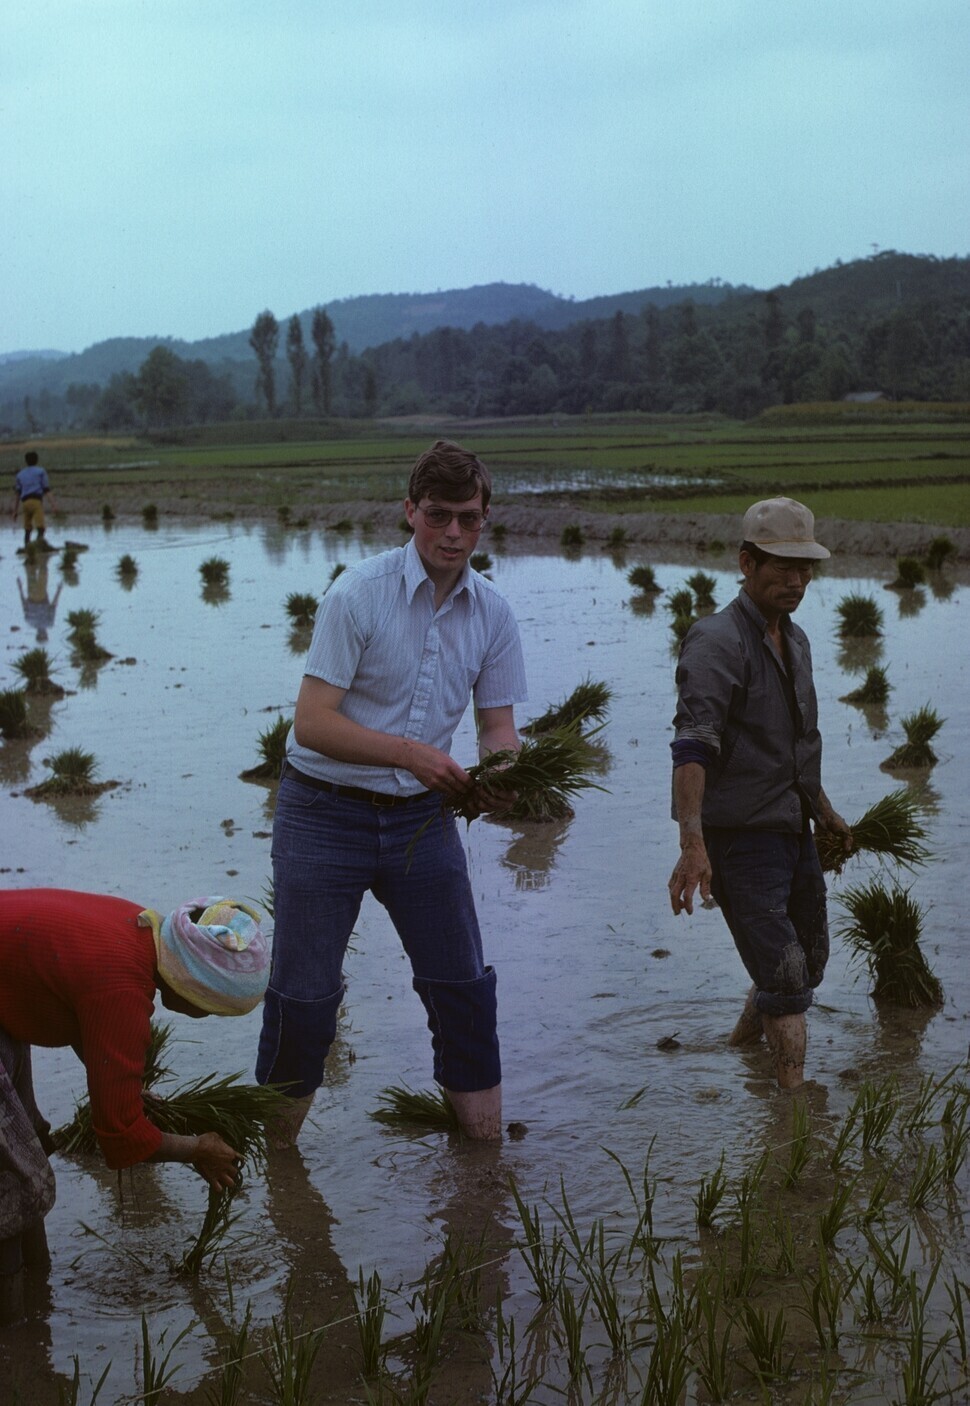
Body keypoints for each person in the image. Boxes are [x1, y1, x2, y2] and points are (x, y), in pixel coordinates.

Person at [256, 440, 527, 1143]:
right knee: (307, 995)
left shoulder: (493, 613)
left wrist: (502, 775)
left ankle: (484, 1161)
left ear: (485, 518)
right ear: (410, 513)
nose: (453, 534)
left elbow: (498, 727)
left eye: (468, 518)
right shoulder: (357, 595)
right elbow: (312, 723)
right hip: (322, 813)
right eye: (438, 516)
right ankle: (277, 1164)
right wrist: (412, 753)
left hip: (423, 821)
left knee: (462, 986)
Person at [0, 888, 269, 1320]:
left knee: (26, 1145)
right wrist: (197, 1149)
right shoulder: (123, 985)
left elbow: (73, 998)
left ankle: (37, 1293)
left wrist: (125, 1088)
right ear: (196, 987)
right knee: (8, 1182)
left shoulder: (140, 928)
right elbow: (119, 1137)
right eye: (214, 1009)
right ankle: (16, 1342)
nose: (207, 1017)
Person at [667, 497, 852, 1090]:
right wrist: (692, 843)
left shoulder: (795, 642)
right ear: (747, 562)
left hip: (789, 828)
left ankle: (741, 1048)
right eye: (781, 566)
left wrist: (824, 813)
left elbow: (797, 747)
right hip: (740, 838)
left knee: (807, 961)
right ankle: (793, 1117)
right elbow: (693, 747)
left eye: (805, 569)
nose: (796, 580)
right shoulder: (718, 641)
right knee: (789, 976)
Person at [11, 451, 58, 551]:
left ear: (26, 461)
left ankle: (27, 548)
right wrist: (53, 505)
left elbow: (18, 494)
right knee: (41, 527)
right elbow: (46, 489)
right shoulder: (41, 472)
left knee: (27, 529)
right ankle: (39, 546)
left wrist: (15, 511)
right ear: (37, 460)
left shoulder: (20, 474)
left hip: (25, 503)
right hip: (36, 502)